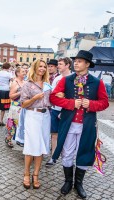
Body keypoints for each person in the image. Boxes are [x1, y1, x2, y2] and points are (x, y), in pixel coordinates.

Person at [50, 50, 109, 198]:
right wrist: (70, 103)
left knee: (84, 153)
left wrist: (91, 104)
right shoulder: (66, 80)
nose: (76, 63)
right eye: (75, 60)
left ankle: (79, 183)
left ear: (87, 64)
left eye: (80, 61)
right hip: (69, 123)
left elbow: (105, 103)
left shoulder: (97, 82)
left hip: (87, 124)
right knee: (67, 153)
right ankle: (68, 181)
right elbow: (53, 98)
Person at [20, 59, 51, 190]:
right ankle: (26, 174)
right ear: (35, 67)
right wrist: (34, 98)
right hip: (32, 116)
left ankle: (36, 174)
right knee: (32, 145)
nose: (42, 69)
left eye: (44, 67)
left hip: (46, 116)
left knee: (42, 146)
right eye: (40, 66)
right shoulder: (28, 84)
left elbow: (52, 100)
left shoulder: (48, 84)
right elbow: (23, 104)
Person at [46, 57, 72, 167]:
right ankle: (53, 157)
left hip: (68, 111)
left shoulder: (74, 78)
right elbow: (54, 94)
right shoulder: (57, 79)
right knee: (54, 134)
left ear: (67, 65)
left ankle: (67, 158)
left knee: (68, 135)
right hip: (56, 110)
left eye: (60, 64)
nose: (58, 66)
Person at [6, 67, 26, 147]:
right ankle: (8, 138)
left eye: (25, 71)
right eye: (23, 71)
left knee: (21, 124)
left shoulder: (25, 82)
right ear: (17, 73)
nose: (25, 73)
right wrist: (20, 93)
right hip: (16, 107)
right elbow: (11, 96)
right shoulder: (15, 82)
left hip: (24, 106)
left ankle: (20, 139)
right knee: (13, 124)